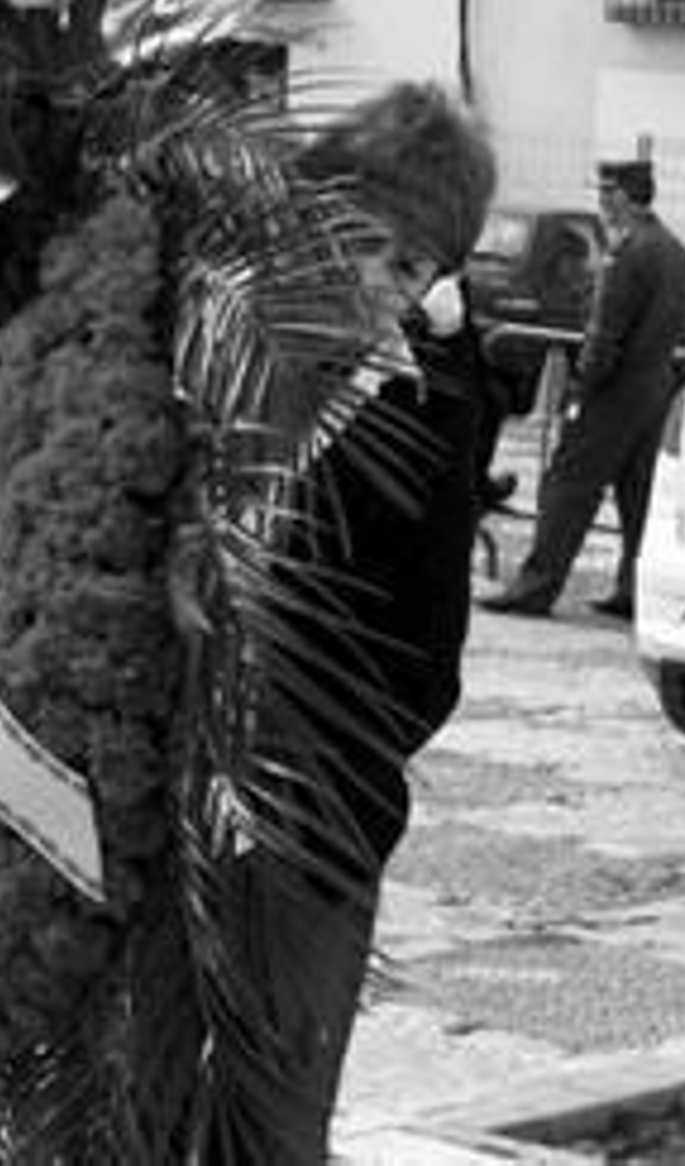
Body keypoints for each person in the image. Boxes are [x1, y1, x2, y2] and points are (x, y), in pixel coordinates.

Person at [214, 81, 495, 1164]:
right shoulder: (228, 355)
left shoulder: (425, 409)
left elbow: (428, 660)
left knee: (269, 1129)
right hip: (164, 814)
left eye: (409, 264)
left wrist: (310, 748)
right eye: (360, 240)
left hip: (309, 822)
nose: (374, 278)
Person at [480, 157, 685, 620]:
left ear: (625, 197)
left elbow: (604, 333)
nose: (600, 202)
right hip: (655, 388)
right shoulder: (677, 251)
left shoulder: (627, 253)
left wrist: (581, 387)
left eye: (606, 193)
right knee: (638, 495)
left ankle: (536, 587)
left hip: (614, 393)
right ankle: (634, 590)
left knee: (567, 487)